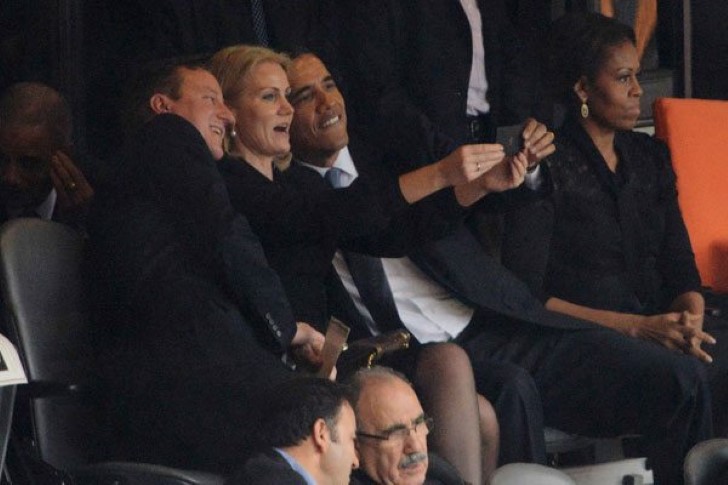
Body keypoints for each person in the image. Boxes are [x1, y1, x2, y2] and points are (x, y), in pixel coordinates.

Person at [283, 51, 713, 485]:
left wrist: (517, 171)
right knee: (511, 388)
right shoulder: (284, 200)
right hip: (411, 358)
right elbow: (356, 221)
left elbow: (476, 193)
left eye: (330, 84)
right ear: (281, 114)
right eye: (304, 95)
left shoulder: (393, 147)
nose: (327, 101)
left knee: (682, 379)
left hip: (494, 319)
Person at [208, 45, 504, 484]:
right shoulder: (232, 185)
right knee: (447, 363)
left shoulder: (292, 181)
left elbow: (388, 233)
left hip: (331, 357)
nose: (287, 108)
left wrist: (470, 188)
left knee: (482, 415)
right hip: (282, 375)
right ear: (230, 113)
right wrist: (440, 173)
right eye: (270, 97)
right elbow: (334, 215)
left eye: (287, 96)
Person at [86, 57, 327, 472]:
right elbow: (226, 237)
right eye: (210, 99)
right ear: (163, 106)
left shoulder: (155, 178)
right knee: (323, 418)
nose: (227, 114)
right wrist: (284, 327)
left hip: (174, 390)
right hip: (180, 392)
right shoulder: (167, 135)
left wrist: (293, 331)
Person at [503, 12, 728, 439]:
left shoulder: (649, 157)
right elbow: (528, 295)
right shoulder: (545, 165)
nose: (638, 91)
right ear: (583, 88)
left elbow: (680, 264)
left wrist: (690, 321)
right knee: (684, 377)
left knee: (708, 357)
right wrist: (637, 327)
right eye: (623, 78)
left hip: (664, 323)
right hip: (587, 341)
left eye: (637, 76)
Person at [347, 366, 465, 485]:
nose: (416, 447)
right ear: (355, 448)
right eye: (395, 433)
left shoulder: (439, 472)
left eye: (419, 423)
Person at [229, 377, 358, 484]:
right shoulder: (273, 480)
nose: (355, 462)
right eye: (351, 439)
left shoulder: (260, 472)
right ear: (321, 433)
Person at [0, 82, 93, 227]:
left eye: (29, 163)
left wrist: (76, 228)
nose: (10, 178)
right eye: (2, 160)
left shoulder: (107, 207)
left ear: (65, 157)